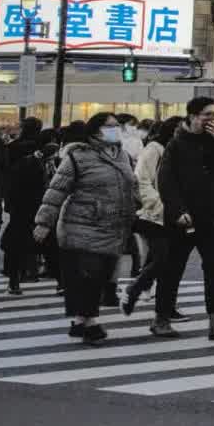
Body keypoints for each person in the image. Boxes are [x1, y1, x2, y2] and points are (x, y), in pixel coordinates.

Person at [30, 112, 138, 345]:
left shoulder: (123, 155)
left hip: (113, 226)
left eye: (117, 126)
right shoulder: (78, 157)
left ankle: (80, 321)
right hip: (83, 224)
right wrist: (43, 222)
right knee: (89, 275)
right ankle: (90, 322)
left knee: (100, 277)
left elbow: (132, 187)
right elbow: (56, 191)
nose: (115, 130)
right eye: (110, 126)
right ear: (95, 131)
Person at [154, 97, 214, 340]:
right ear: (192, 116)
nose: (212, 119)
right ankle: (161, 318)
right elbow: (166, 181)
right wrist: (177, 209)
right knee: (173, 268)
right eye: (207, 115)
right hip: (184, 218)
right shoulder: (176, 144)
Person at [120, 116, 179, 315]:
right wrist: (158, 204)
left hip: (169, 214)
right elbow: (141, 181)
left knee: (160, 258)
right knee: (162, 258)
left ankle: (150, 296)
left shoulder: (173, 150)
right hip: (153, 214)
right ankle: (135, 290)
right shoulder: (154, 149)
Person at [0, 119, 49, 295]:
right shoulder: (41, 147)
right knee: (37, 236)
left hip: (19, 201)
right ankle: (32, 271)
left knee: (16, 239)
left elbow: (5, 173)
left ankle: (14, 278)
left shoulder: (13, 147)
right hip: (38, 199)